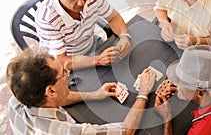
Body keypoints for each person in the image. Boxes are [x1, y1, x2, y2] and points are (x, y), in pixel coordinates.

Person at [6, 50, 156, 134]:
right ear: (50, 90)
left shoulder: (17, 100)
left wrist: (95, 94)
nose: (68, 75)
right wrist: (143, 92)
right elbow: (126, 131)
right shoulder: (66, 133)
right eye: (63, 73)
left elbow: (56, 99)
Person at [36, 0, 131, 70]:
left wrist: (124, 36)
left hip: (91, 44)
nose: (81, 3)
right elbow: (62, 61)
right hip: (67, 64)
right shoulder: (46, 17)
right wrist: (98, 60)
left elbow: (113, 17)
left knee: (125, 66)